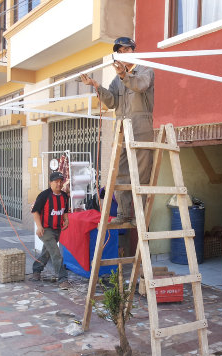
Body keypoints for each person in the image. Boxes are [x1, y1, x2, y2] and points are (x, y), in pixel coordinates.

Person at [80, 36, 154, 226]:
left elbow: (140, 86)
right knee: (120, 173)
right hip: (121, 128)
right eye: (119, 52)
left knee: (142, 174)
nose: (122, 55)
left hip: (141, 127)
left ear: (134, 51)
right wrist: (96, 86)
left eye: (126, 50)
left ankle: (139, 216)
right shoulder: (117, 79)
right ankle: (123, 213)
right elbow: (112, 102)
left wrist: (124, 75)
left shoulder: (145, 70)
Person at [30, 171, 71, 290]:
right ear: (50, 183)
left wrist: (66, 220)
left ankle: (36, 270)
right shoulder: (44, 195)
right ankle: (62, 279)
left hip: (57, 229)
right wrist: (39, 226)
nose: (59, 184)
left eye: (60, 181)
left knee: (47, 251)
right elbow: (35, 211)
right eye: (56, 182)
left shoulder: (64, 196)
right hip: (45, 229)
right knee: (55, 252)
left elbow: (65, 210)